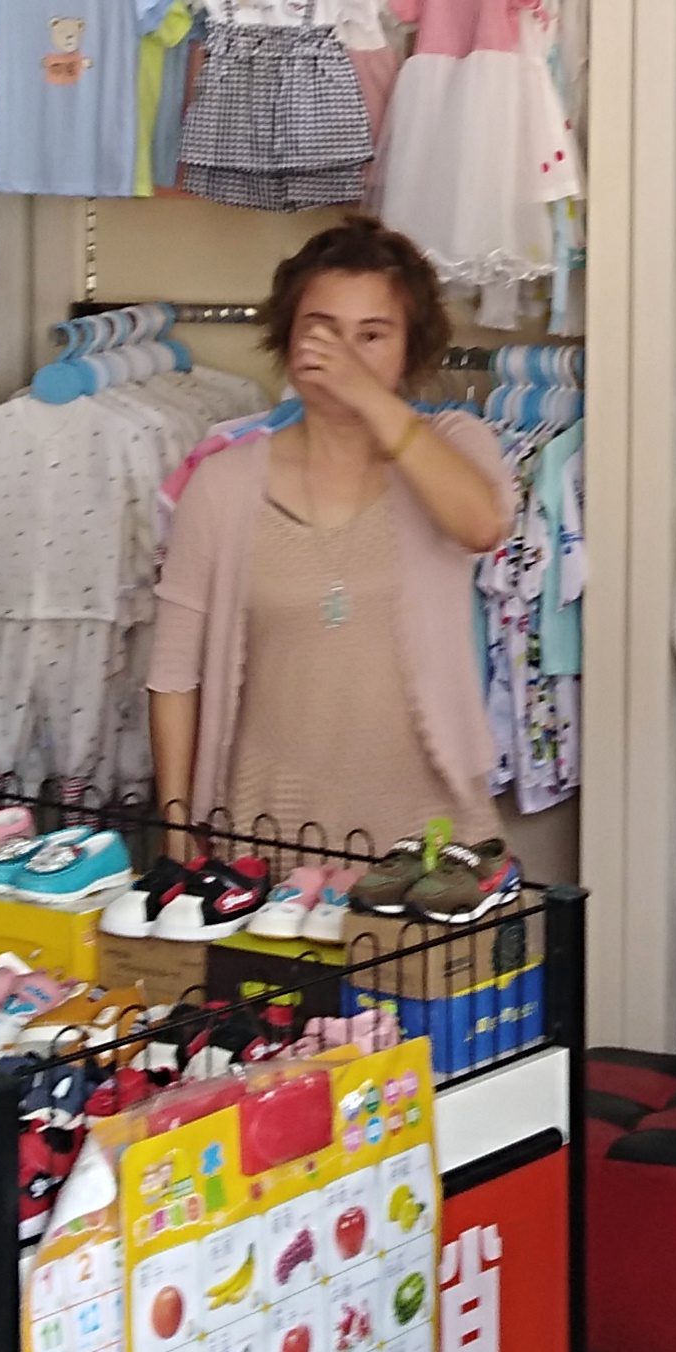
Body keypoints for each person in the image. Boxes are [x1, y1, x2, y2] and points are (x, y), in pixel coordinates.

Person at [144, 217, 553, 872]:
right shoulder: (222, 482)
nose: (344, 352)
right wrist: (176, 829)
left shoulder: (454, 444)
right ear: (288, 335)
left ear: (411, 348)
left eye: (373, 335)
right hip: (264, 822)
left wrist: (365, 393)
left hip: (430, 824)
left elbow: (481, 525)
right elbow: (173, 671)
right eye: (323, 329)